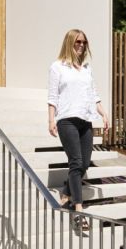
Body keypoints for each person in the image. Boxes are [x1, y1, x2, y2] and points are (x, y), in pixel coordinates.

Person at [47, 28, 109, 232]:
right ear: (69, 43)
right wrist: (51, 120)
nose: (81, 46)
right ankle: (79, 211)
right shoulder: (57, 67)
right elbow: (52, 96)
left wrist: (104, 113)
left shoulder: (86, 69)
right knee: (76, 162)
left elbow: (94, 94)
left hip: (86, 121)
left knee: (84, 163)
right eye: (77, 42)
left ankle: (66, 191)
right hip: (67, 121)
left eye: (84, 43)